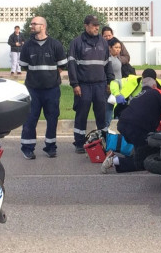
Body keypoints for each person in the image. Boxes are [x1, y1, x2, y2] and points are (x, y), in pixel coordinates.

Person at [101, 76, 161, 174]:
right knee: (143, 162)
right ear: (154, 86)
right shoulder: (156, 92)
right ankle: (114, 161)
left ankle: (132, 156)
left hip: (123, 125)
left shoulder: (138, 96)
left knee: (142, 148)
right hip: (137, 128)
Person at [18, 17, 67, 159]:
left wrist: (50, 78)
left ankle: (50, 147)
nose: (31, 26)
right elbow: (25, 66)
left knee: (52, 118)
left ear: (43, 26)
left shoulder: (55, 44)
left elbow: (61, 65)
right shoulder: (27, 45)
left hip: (52, 90)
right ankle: (27, 148)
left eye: (34, 24)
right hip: (33, 89)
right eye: (31, 23)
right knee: (30, 119)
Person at [68, 15, 115, 153]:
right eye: (93, 25)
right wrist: (75, 84)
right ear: (86, 26)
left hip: (100, 85)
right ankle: (79, 143)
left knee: (101, 116)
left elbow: (108, 63)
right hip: (83, 85)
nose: (96, 27)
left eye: (97, 25)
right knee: (81, 115)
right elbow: (71, 65)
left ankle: (102, 141)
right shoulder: (76, 43)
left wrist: (109, 82)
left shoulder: (103, 42)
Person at [105, 37, 123, 129]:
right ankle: (106, 128)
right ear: (110, 48)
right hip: (111, 88)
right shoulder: (109, 59)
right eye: (116, 47)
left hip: (118, 89)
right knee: (108, 109)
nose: (118, 49)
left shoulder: (117, 58)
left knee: (116, 109)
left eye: (119, 47)